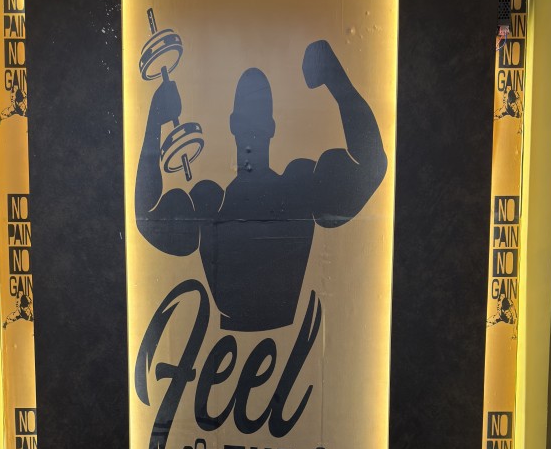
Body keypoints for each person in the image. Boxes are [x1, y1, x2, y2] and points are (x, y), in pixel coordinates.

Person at [135, 40, 386, 331]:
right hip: (249, 341)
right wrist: (154, 119)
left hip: (276, 337)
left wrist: (336, 78)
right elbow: (147, 218)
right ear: (234, 124)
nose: (252, 128)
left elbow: (370, 166)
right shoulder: (218, 200)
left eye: (257, 118)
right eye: (247, 118)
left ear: (270, 126)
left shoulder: (294, 186)